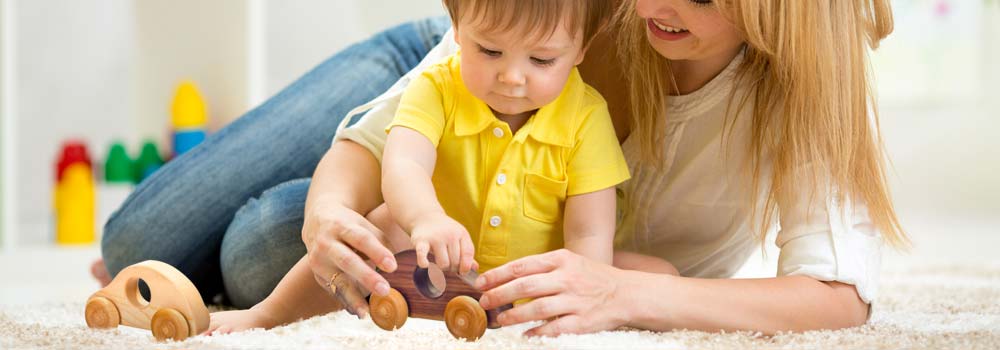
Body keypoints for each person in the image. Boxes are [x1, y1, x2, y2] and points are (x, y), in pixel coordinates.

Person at [100, 0, 907, 337]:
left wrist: (623, 290)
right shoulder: (582, 14)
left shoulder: (811, 86)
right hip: (448, 65)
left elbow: (839, 296)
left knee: (251, 251)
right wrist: (328, 211)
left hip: (473, 220)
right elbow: (386, 145)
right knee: (151, 231)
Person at [202, 0, 630, 334]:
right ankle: (267, 313)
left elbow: (589, 231)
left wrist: (574, 295)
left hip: (532, 266)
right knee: (373, 229)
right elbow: (404, 163)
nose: (512, 77)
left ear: (581, 50)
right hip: (436, 249)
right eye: (490, 51)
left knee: (651, 274)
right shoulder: (437, 87)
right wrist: (426, 219)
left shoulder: (588, 116)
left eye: (541, 61)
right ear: (458, 31)